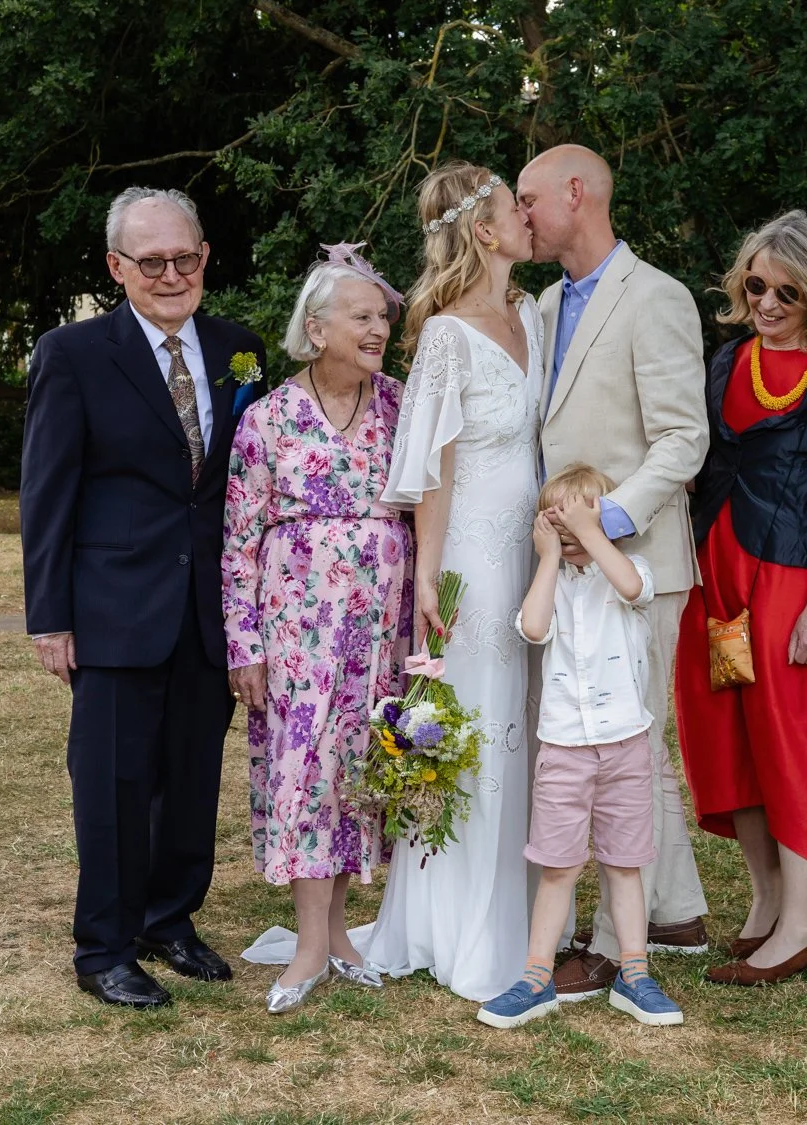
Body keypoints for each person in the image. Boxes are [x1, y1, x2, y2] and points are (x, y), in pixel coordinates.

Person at [20, 187, 267, 1007]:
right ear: (116, 267)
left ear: (205, 257)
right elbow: (46, 492)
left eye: (184, 257)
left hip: (209, 608)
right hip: (112, 609)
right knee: (114, 784)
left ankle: (170, 918)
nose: (171, 274)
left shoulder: (239, 350)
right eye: (151, 260)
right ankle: (104, 947)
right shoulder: (72, 353)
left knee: (192, 778)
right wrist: (51, 617)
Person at [515, 144, 710, 1001]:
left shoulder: (656, 296)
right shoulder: (543, 305)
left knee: (629, 743)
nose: (519, 215)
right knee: (633, 745)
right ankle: (678, 911)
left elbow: (683, 438)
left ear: (576, 193)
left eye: (528, 199)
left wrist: (606, 529)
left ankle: (607, 946)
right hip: (562, 567)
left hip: (639, 567)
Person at [352, 161, 542, 1002]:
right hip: (472, 554)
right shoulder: (445, 336)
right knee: (477, 723)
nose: (529, 216)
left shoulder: (532, 313)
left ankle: (530, 913)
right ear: (484, 231)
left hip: (536, 551)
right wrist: (428, 576)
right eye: (513, 208)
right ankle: (459, 923)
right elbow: (432, 467)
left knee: (528, 721)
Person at [674, 210, 807, 987]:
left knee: (794, 746)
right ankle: (766, 905)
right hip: (717, 576)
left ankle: (803, 925)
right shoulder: (728, 358)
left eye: (786, 291)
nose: (766, 301)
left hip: (790, 583)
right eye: (756, 284)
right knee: (731, 737)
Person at [223, 247, 412, 1013]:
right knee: (305, 772)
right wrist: (245, 644)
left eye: (383, 317)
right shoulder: (266, 418)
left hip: (379, 629)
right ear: (317, 327)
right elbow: (238, 542)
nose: (379, 329)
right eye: (362, 316)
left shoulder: (401, 405)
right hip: (297, 629)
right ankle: (308, 945)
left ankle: (337, 934)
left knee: (357, 771)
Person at [477, 465, 684, 1029]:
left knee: (625, 864)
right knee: (558, 866)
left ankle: (634, 975)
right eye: (558, 520)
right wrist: (547, 557)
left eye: (581, 517)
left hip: (625, 744)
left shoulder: (629, 571)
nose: (569, 529)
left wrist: (592, 532)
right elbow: (534, 628)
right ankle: (535, 978)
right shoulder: (553, 583)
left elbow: (634, 588)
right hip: (565, 748)